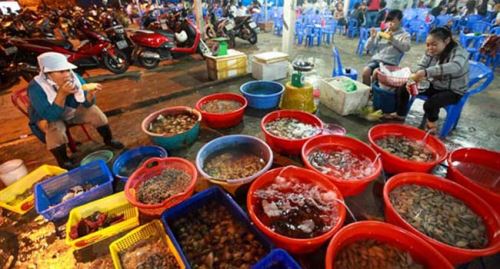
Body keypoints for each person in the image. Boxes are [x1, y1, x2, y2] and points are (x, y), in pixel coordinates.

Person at [28, 52, 124, 169]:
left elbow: (87, 104)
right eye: (61, 71)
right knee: (55, 130)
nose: (67, 74)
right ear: (47, 73)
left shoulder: (74, 77)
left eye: (67, 70)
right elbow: (50, 115)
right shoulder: (36, 87)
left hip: (71, 110)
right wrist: (62, 94)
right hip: (50, 115)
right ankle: (64, 160)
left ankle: (109, 140)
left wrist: (90, 95)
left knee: (95, 113)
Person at [391, 27, 469, 133]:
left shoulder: (459, 52)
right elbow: (422, 65)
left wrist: (427, 72)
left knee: (430, 104)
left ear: (446, 41)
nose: (430, 48)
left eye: (434, 44)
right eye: (428, 45)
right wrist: (416, 74)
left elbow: (455, 66)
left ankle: (432, 126)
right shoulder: (431, 51)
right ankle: (400, 114)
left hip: (453, 90)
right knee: (404, 87)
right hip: (435, 84)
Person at [362, 9, 411, 85]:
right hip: (377, 60)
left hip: (390, 63)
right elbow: (367, 48)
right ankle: (367, 92)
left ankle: (375, 92)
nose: (390, 24)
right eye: (389, 21)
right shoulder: (382, 32)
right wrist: (372, 38)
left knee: (376, 73)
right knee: (366, 71)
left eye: (393, 21)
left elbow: (406, 48)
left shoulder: (405, 35)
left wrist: (392, 39)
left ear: (400, 21)